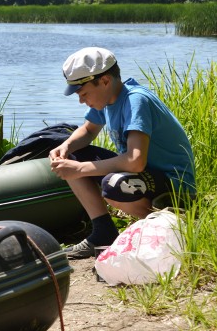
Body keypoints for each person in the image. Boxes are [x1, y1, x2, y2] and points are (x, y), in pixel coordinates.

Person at [49, 47, 196, 259]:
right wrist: (66, 147)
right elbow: (89, 130)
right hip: (145, 174)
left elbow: (135, 161)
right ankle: (103, 233)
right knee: (68, 158)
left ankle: (171, 229)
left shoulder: (135, 100)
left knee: (115, 185)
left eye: (83, 93)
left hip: (175, 184)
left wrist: (80, 169)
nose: (81, 100)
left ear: (105, 80)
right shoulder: (105, 98)